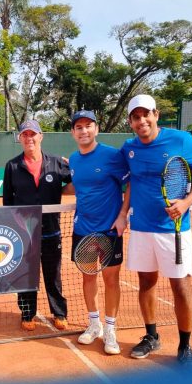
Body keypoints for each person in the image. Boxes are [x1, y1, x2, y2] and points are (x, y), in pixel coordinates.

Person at [122, 94, 192, 364]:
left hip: (174, 229)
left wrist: (186, 202)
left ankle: (185, 346)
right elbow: (130, 182)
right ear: (130, 122)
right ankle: (151, 336)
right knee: (146, 283)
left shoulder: (181, 140)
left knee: (181, 286)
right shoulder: (129, 148)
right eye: (136, 117)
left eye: (146, 115)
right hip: (141, 228)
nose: (142, 121)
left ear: (156, 115)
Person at [68, 110, 129, 354]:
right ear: (73, 132)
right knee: (88, 278)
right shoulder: (73, 159)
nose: (84, 130)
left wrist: (123, 214)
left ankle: (110, 329)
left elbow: (130, 182)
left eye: (88, 126)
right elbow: (76, 186)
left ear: (96, 129)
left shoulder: (112, 156)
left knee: (111, 280)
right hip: (82, 230)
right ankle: (94, 324)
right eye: (79, 127)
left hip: (109, 231)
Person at [2, 119, 72, 331]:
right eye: (25, 135)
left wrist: (74, 168)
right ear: (20, 138)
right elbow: (8, 201)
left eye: (33, 134)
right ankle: (27, 314)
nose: (29, 138)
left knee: (53, 275)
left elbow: (77, 180)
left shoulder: (56, 162)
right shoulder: (12, 166)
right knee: (26, 276)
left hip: (51, 231)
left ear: (41, 136)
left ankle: (59, 313)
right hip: (24, 233)